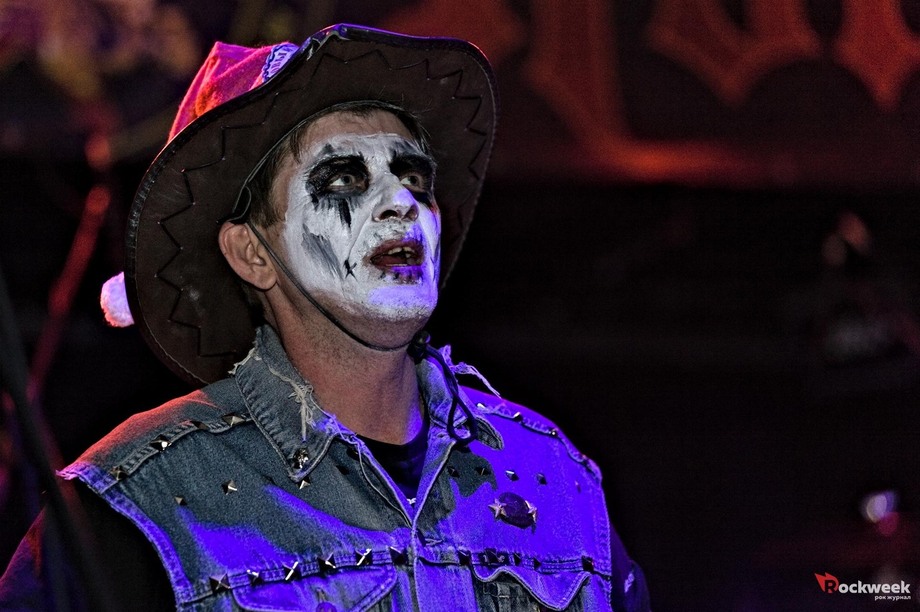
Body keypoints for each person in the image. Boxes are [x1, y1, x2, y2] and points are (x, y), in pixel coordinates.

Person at [0, 24, 649, 611]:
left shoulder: (557, 480)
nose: (401, 202)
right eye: (344, 179)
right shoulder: (133, 507)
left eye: (413, 177)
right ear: (252, 253)